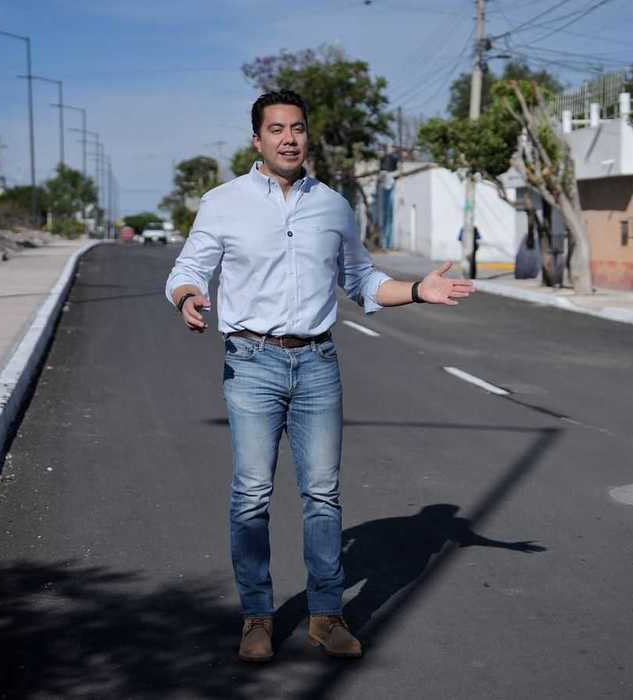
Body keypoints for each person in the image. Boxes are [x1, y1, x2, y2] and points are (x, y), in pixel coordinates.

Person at [165, 90, 475, 663]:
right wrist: (187, 296)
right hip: (251, 362)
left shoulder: (333, 205)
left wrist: (416, 291)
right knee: (252, 494)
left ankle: (326, 617)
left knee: (323, 495)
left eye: (299, 128)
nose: (289, 138)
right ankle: (257, 616)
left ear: (308, 137)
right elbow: (189, 268)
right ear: (257, 139)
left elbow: (361, 280)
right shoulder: (223, 202)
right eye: (277, 129)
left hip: (317, 364)